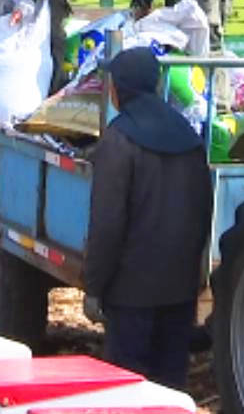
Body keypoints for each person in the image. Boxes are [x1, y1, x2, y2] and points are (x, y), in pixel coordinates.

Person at [81, 47, 210, 391]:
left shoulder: (119, 139)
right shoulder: (188, 135)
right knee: (169, 388)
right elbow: (203, 210)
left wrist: (94, 286)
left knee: (127, 390)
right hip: (179, 290)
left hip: (130, 294)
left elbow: (107, 224)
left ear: (118, 89)